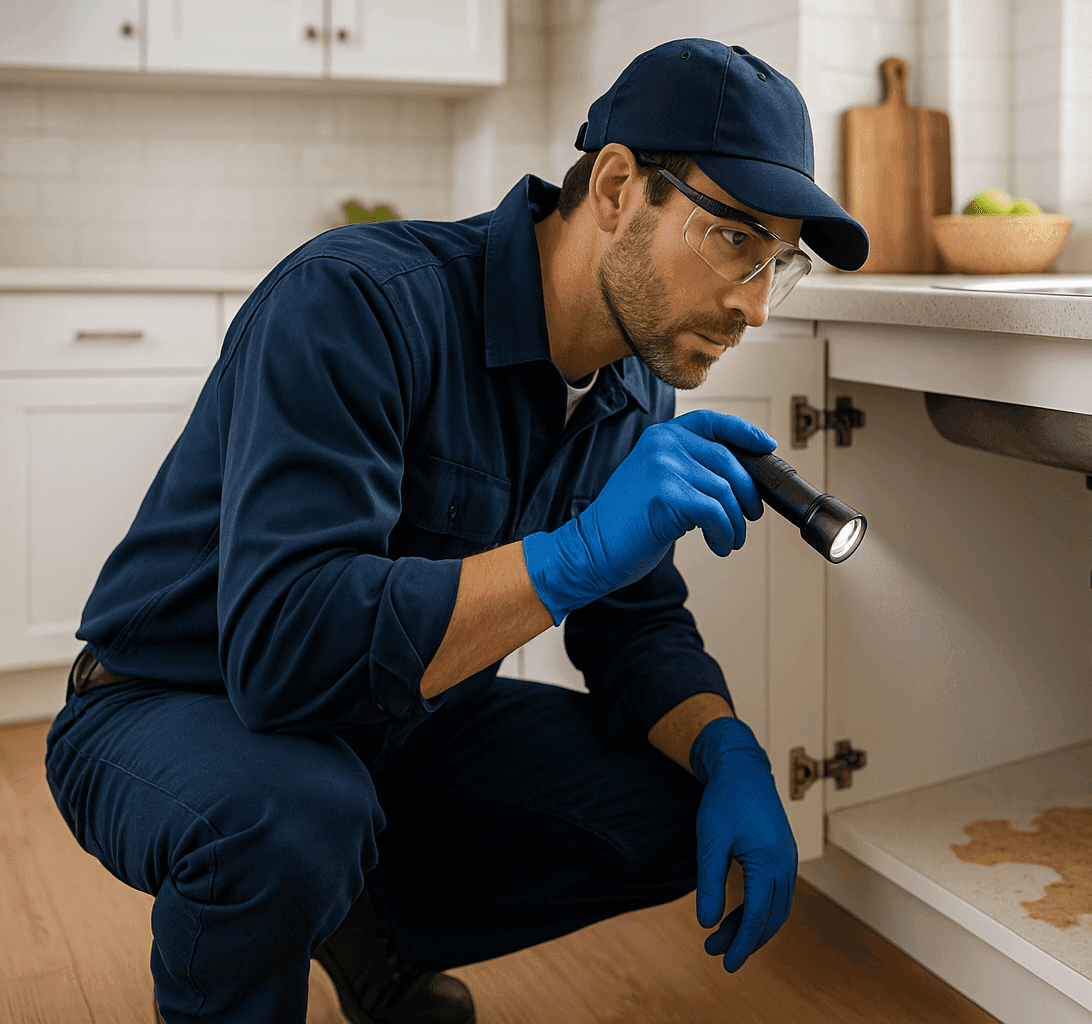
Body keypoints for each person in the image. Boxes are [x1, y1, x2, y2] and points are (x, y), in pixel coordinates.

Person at [43, 37, 868, 1024]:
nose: (754, 307)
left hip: (393, 724)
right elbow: (281, 653)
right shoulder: (357, 303)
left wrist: (727, 747)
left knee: (680, 802)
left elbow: (635, 624)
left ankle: (366, 931)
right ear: (615, 189)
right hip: (170, 698)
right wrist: (575, 552)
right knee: (293, 813)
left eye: (779, 263)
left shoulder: (638, 383)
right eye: (734, 238)